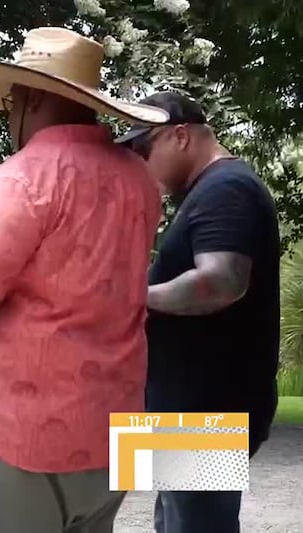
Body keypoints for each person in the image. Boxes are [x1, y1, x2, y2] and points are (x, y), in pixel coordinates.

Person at [0, 27, 169, 532]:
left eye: (12, 100)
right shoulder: (137, 181)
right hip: (112, 426)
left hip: (25, 428)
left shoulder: (27, 175)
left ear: (32, 98)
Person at [115, 91, 281, 533]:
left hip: (206, 409)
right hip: (184, 406)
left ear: (181, 136)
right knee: (174, 524)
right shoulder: (208, 191)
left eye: (143, 149)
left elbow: (221, 281)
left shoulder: (227, 188)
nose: (139, 163)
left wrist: (129, 297)